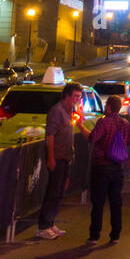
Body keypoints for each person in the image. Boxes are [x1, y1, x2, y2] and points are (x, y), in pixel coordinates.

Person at [36, 84, 91, 239]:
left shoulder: (70, 111)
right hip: (57, 157)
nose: (77, 100)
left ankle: (51, 223)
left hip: (66, 157)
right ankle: (43, 226)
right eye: (75, 96)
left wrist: (79, 114)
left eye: (80, 97)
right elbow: (50, 136)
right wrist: (51, 157)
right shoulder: (57, 111)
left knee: (60, 192)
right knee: (52, 192)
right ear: (66, 95)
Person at [86, 94, 130, 245]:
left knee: (98, 203)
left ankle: (94, 236)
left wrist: (81, 126)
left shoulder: (103, 122)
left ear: (108, 107)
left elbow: (93, 138)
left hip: (101, 167)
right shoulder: (125, 123)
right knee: (115, 202)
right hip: (117, 168)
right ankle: (115, 235)